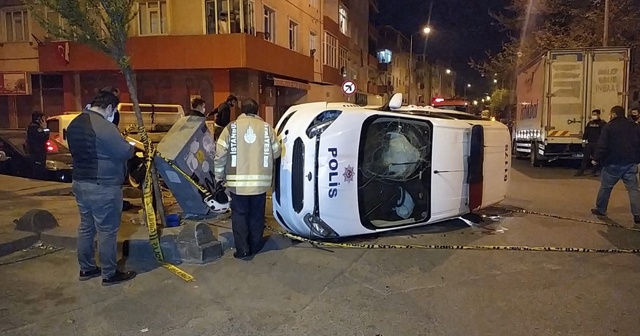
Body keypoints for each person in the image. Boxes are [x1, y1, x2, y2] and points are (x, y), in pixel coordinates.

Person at [67, 90, 137, 286]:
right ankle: (109, 273)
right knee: (107, 230)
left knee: (86, 227)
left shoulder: (76, 123)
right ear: (109, 108)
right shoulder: (104, 126)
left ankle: (86, 268)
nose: (113, 113)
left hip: (80, 183)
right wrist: (131, 147)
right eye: (113, 110)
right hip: (103, 186)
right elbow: (125, 151)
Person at [213, 98, 281, 260]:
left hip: (237, 184)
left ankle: (243, 250)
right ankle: (255, 245)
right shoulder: (267, 129)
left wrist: (218, 177)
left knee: (240, 215)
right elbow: (277, 153)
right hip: (260, 184)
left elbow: (220, 155)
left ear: (242, 111)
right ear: (257, 111)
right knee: (257, 215)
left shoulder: (231, 128)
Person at [591, 105, 640, 224]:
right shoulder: (635, 126)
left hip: (612, 163)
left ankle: (601, 209)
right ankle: (637, 214)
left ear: (613, 114)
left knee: (606, 187)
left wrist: (596, 159)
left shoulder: (608, 127)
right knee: (633, 190)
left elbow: (602, 145)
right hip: (630, 162)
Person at [575, 109, 606, 176]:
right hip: (589, 143)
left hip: (597, 143)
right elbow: (586, 132)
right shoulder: (590, 123)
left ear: (598, 115)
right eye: (592, 114)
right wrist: (584, 140)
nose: (593, 116)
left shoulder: (602, 123)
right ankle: (581, 171)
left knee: (596, 158)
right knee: (585, 158)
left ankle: (594, 172)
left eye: (595, 114)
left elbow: (604, 134)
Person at [26, 111, 50, 180]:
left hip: (38, 154)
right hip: (37, 155)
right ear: (39, 119)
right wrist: (45, 128)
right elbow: (45, 137)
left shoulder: (34, 127)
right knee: (39, 174)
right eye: (43, 119)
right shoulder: (34, 128)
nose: (44, 121)